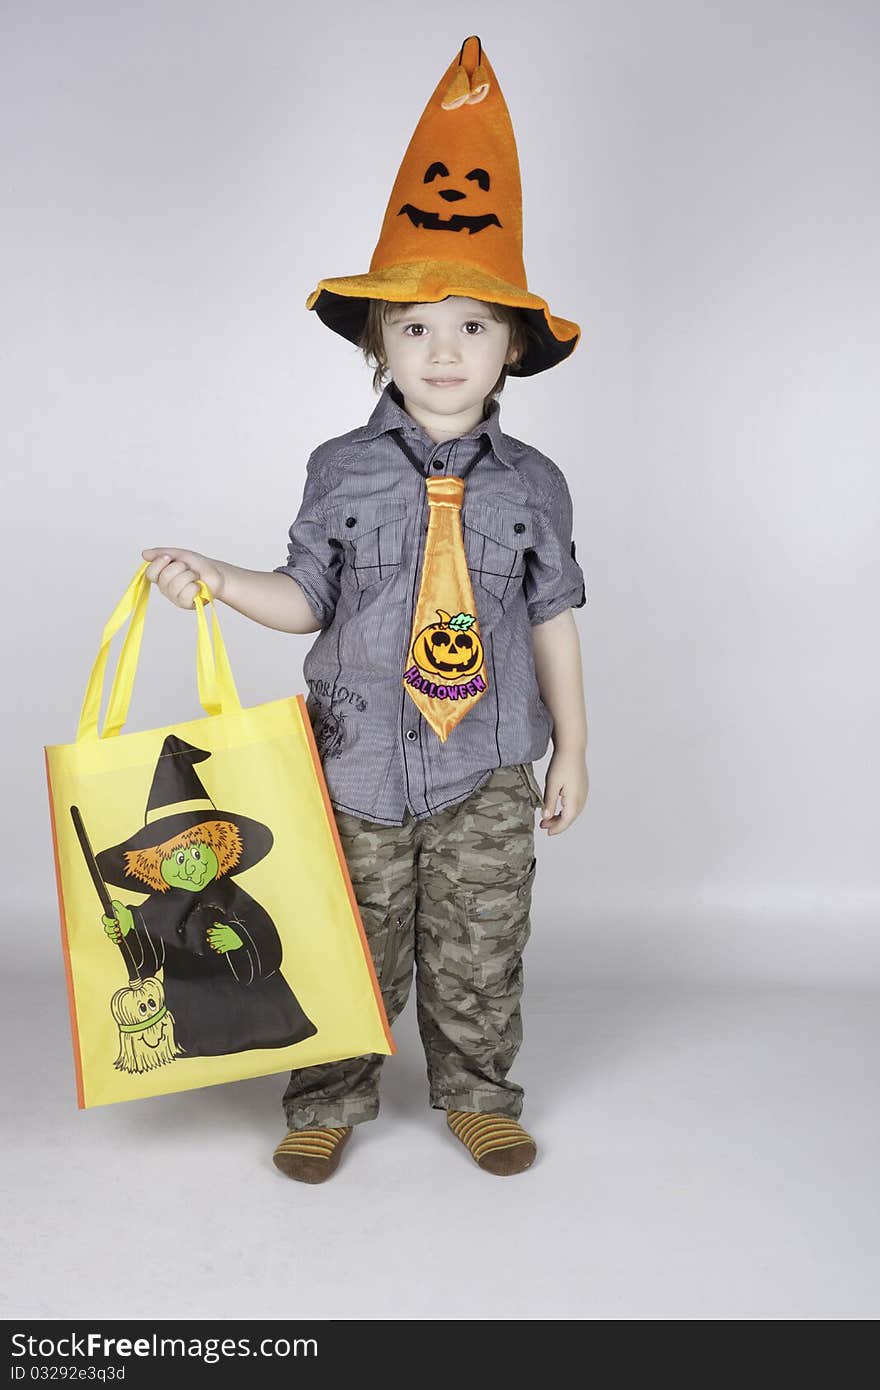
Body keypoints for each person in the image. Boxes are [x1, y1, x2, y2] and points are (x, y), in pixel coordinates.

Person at [141, 36, 589, 1182]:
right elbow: (307, 600)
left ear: (513, 347)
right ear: (377, 340)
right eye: (417, 326)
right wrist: (223, 580)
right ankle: (328, 1094)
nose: (445, 349)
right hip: (355, 766)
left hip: (490, 761)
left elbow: (550, 620)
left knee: (480, 946)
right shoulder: (339, 469)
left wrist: (574, 749)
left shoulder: (535, 486)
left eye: (474, 326)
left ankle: (478, 1091)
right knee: (348, 940)